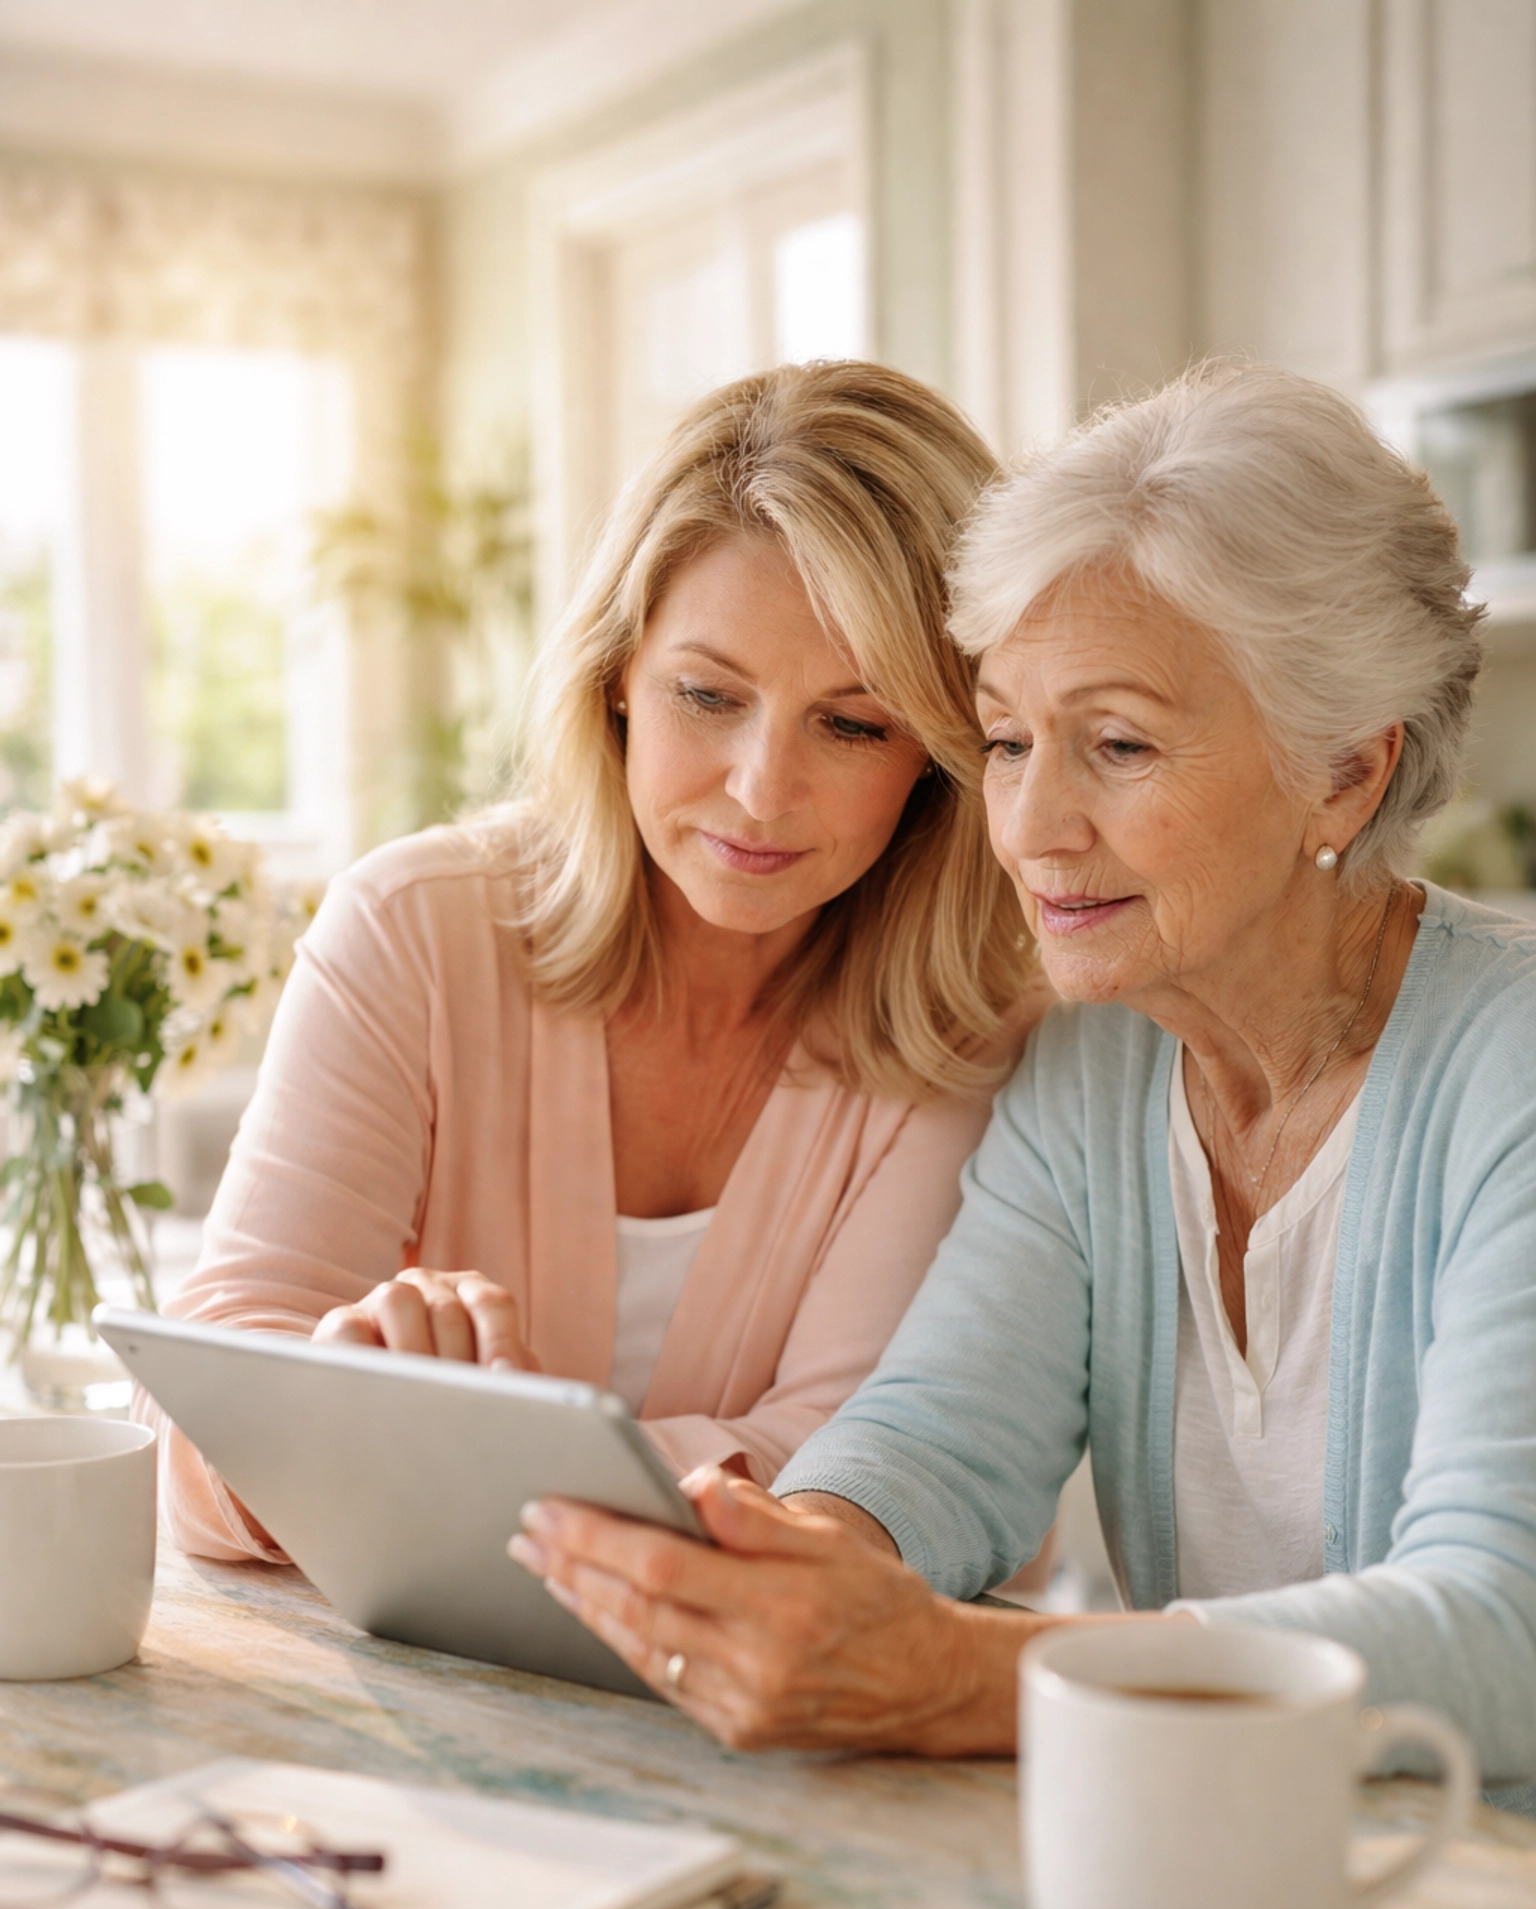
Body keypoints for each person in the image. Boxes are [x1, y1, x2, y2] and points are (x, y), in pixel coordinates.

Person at [514, 362, 1536, 1814]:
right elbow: (940, 1437)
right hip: (1223, 1866)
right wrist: (801, 1552)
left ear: (1343, 777)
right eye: (1005, 742)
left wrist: (960, 1676)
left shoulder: (1511, 1073)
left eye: (1116, 746)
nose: (1032, 828)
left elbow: (1505, 1629)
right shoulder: (1094, 1070)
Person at [152, 360, 1044, 1562]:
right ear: (618, 676)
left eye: (853, 723)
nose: (761, 792)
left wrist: (437, 1448)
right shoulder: (413, 930)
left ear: (936, 753)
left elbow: (855, 1465)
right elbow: (201, 1420)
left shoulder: (973, 1028)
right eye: (707, 696)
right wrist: (335, 1391)